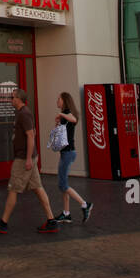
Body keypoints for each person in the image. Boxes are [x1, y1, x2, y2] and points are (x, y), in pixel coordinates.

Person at [0, 89, 59, 234]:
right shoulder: (22, 113)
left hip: (23, 159)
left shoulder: (24, 114)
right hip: (29, 157)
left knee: (13, 189)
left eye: (12, 97)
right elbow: (33, 132)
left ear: (19, 99)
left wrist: (28, 159)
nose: (10, 99)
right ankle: (51, 221)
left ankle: (3, 223)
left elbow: (31, 135)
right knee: (38, 188)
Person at [52, 91, 93, 224]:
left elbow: (74, 119)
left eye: (58, 99)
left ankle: (85, 204)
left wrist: (61, 114)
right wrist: (57, 122)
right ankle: (66, 213)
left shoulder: (68, 112)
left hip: (68, 153)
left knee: (63, 184)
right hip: (66, 152)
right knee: (63, 184)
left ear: (64, 100)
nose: (57, 101)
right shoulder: (65, 116)